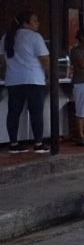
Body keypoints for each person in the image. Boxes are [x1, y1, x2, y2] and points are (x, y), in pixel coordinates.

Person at [1, 10, 51, 154]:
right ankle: (38, 143)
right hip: (33, 79)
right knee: (36, 112)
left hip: (13, 80)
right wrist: (49, 76)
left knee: (13, 112)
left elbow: (2, 59)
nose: (38, 23)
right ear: (26, 23)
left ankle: (13, 144)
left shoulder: (7, 37)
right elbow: (45, 60)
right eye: (35, 20)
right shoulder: (35, 37)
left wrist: (10, 69)